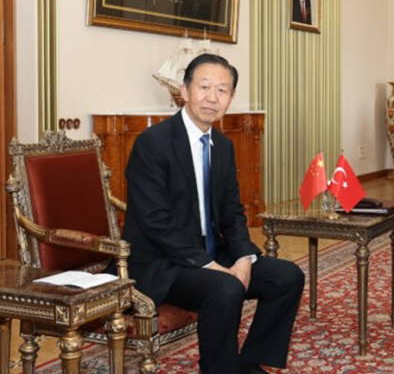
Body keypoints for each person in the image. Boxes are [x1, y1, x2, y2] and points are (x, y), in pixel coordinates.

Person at [123, 53, 304, 374]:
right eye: (204, 87)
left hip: (209, 252)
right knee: (226, 287)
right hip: (163, 263)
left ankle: (249, 364)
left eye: (222, 90)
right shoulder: (153, 143)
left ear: (230, 99)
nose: (212, 97)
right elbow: (154, 222)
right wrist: (210, 266)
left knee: (287, 277)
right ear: (185, 90)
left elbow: (232, 211)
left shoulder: (222, 145)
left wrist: (243, 258)